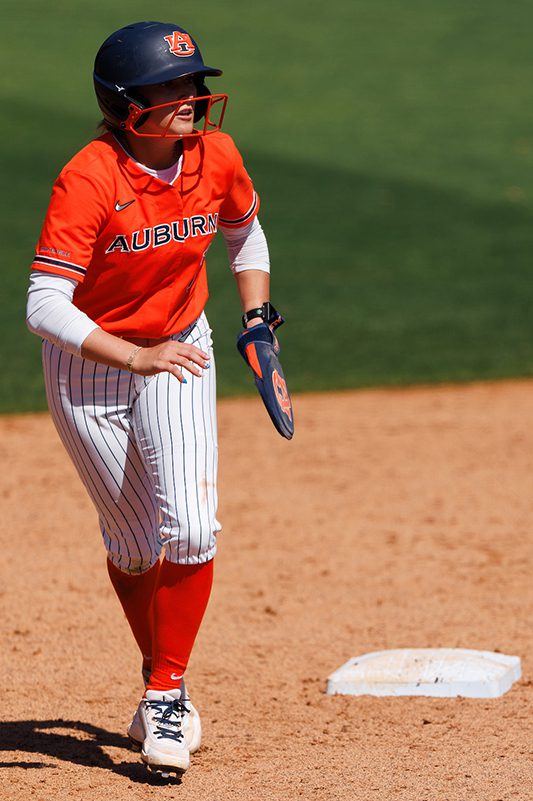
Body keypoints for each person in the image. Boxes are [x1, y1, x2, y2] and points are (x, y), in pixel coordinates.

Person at [26, 20, 272, 778]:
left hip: (179, 351)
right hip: (91, 363)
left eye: (193, 83)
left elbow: (245, 233)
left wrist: (256, 316)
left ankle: (166, 692)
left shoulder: (215, 155)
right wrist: (132, 353)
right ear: (125, 101)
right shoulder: (89, 176)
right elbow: (45, 303)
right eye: (171, 87)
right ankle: (159, 669)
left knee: (192, 526)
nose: (191, 98)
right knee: (134, 546)